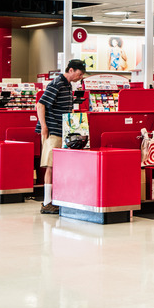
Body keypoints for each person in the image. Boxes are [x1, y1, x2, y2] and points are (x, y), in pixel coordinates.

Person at [35, 59, 86, 214]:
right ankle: (47, 203)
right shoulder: (56, 83)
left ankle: (55, 200)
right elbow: (40, 104)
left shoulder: (67, 85)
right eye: (80, 73)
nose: (81, 76)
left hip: (63, 130)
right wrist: (44, 126)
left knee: (57, 166)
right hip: (53, 131)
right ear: (71, 70)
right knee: (50, 167)